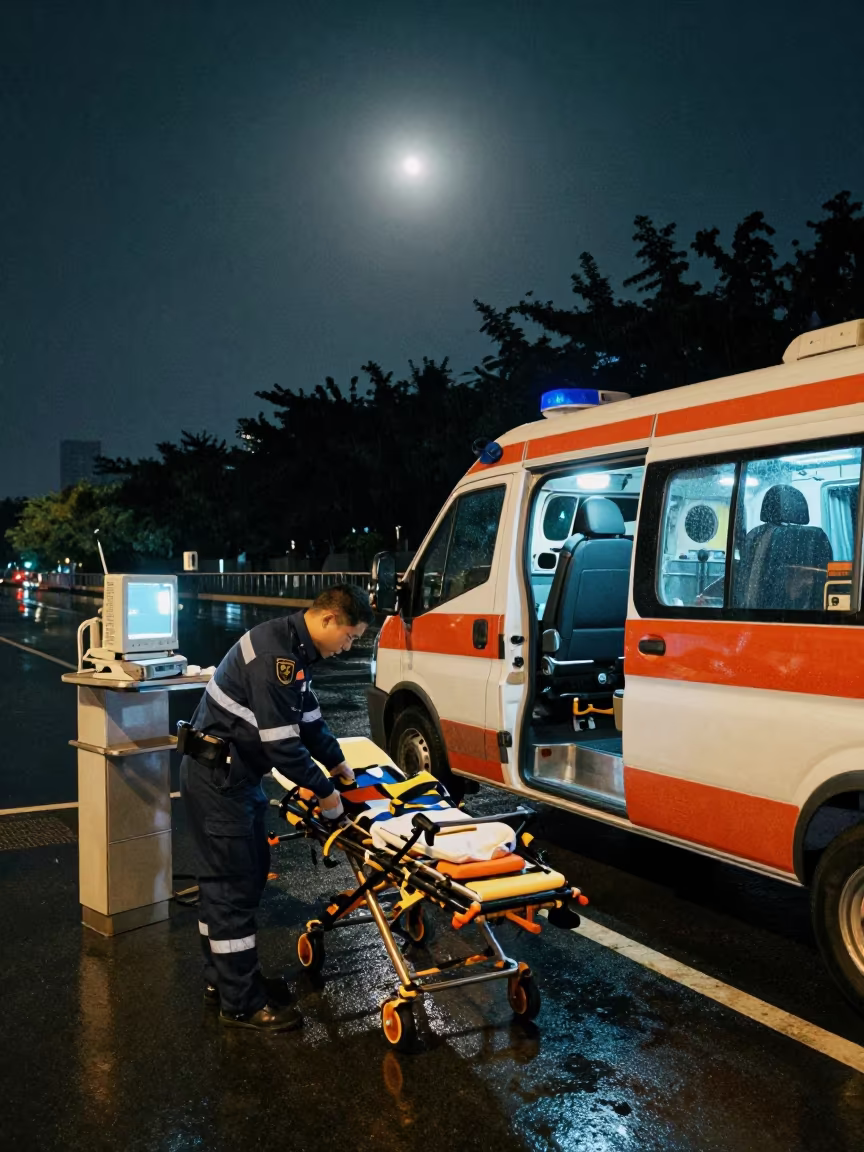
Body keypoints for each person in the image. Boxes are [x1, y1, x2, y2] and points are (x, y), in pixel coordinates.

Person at [180, 582, 374, 1032]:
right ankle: (241, 1003)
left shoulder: (294, 650)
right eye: (349, 636)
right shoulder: (277, 658)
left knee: (236, 881)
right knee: (232, 889)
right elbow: (284, 747)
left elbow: (310, 724)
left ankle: (225, 981)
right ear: (328, 620)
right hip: (219, 781)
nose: (348, 648)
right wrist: (329, 798)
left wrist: (343, 769)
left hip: (234, 775)